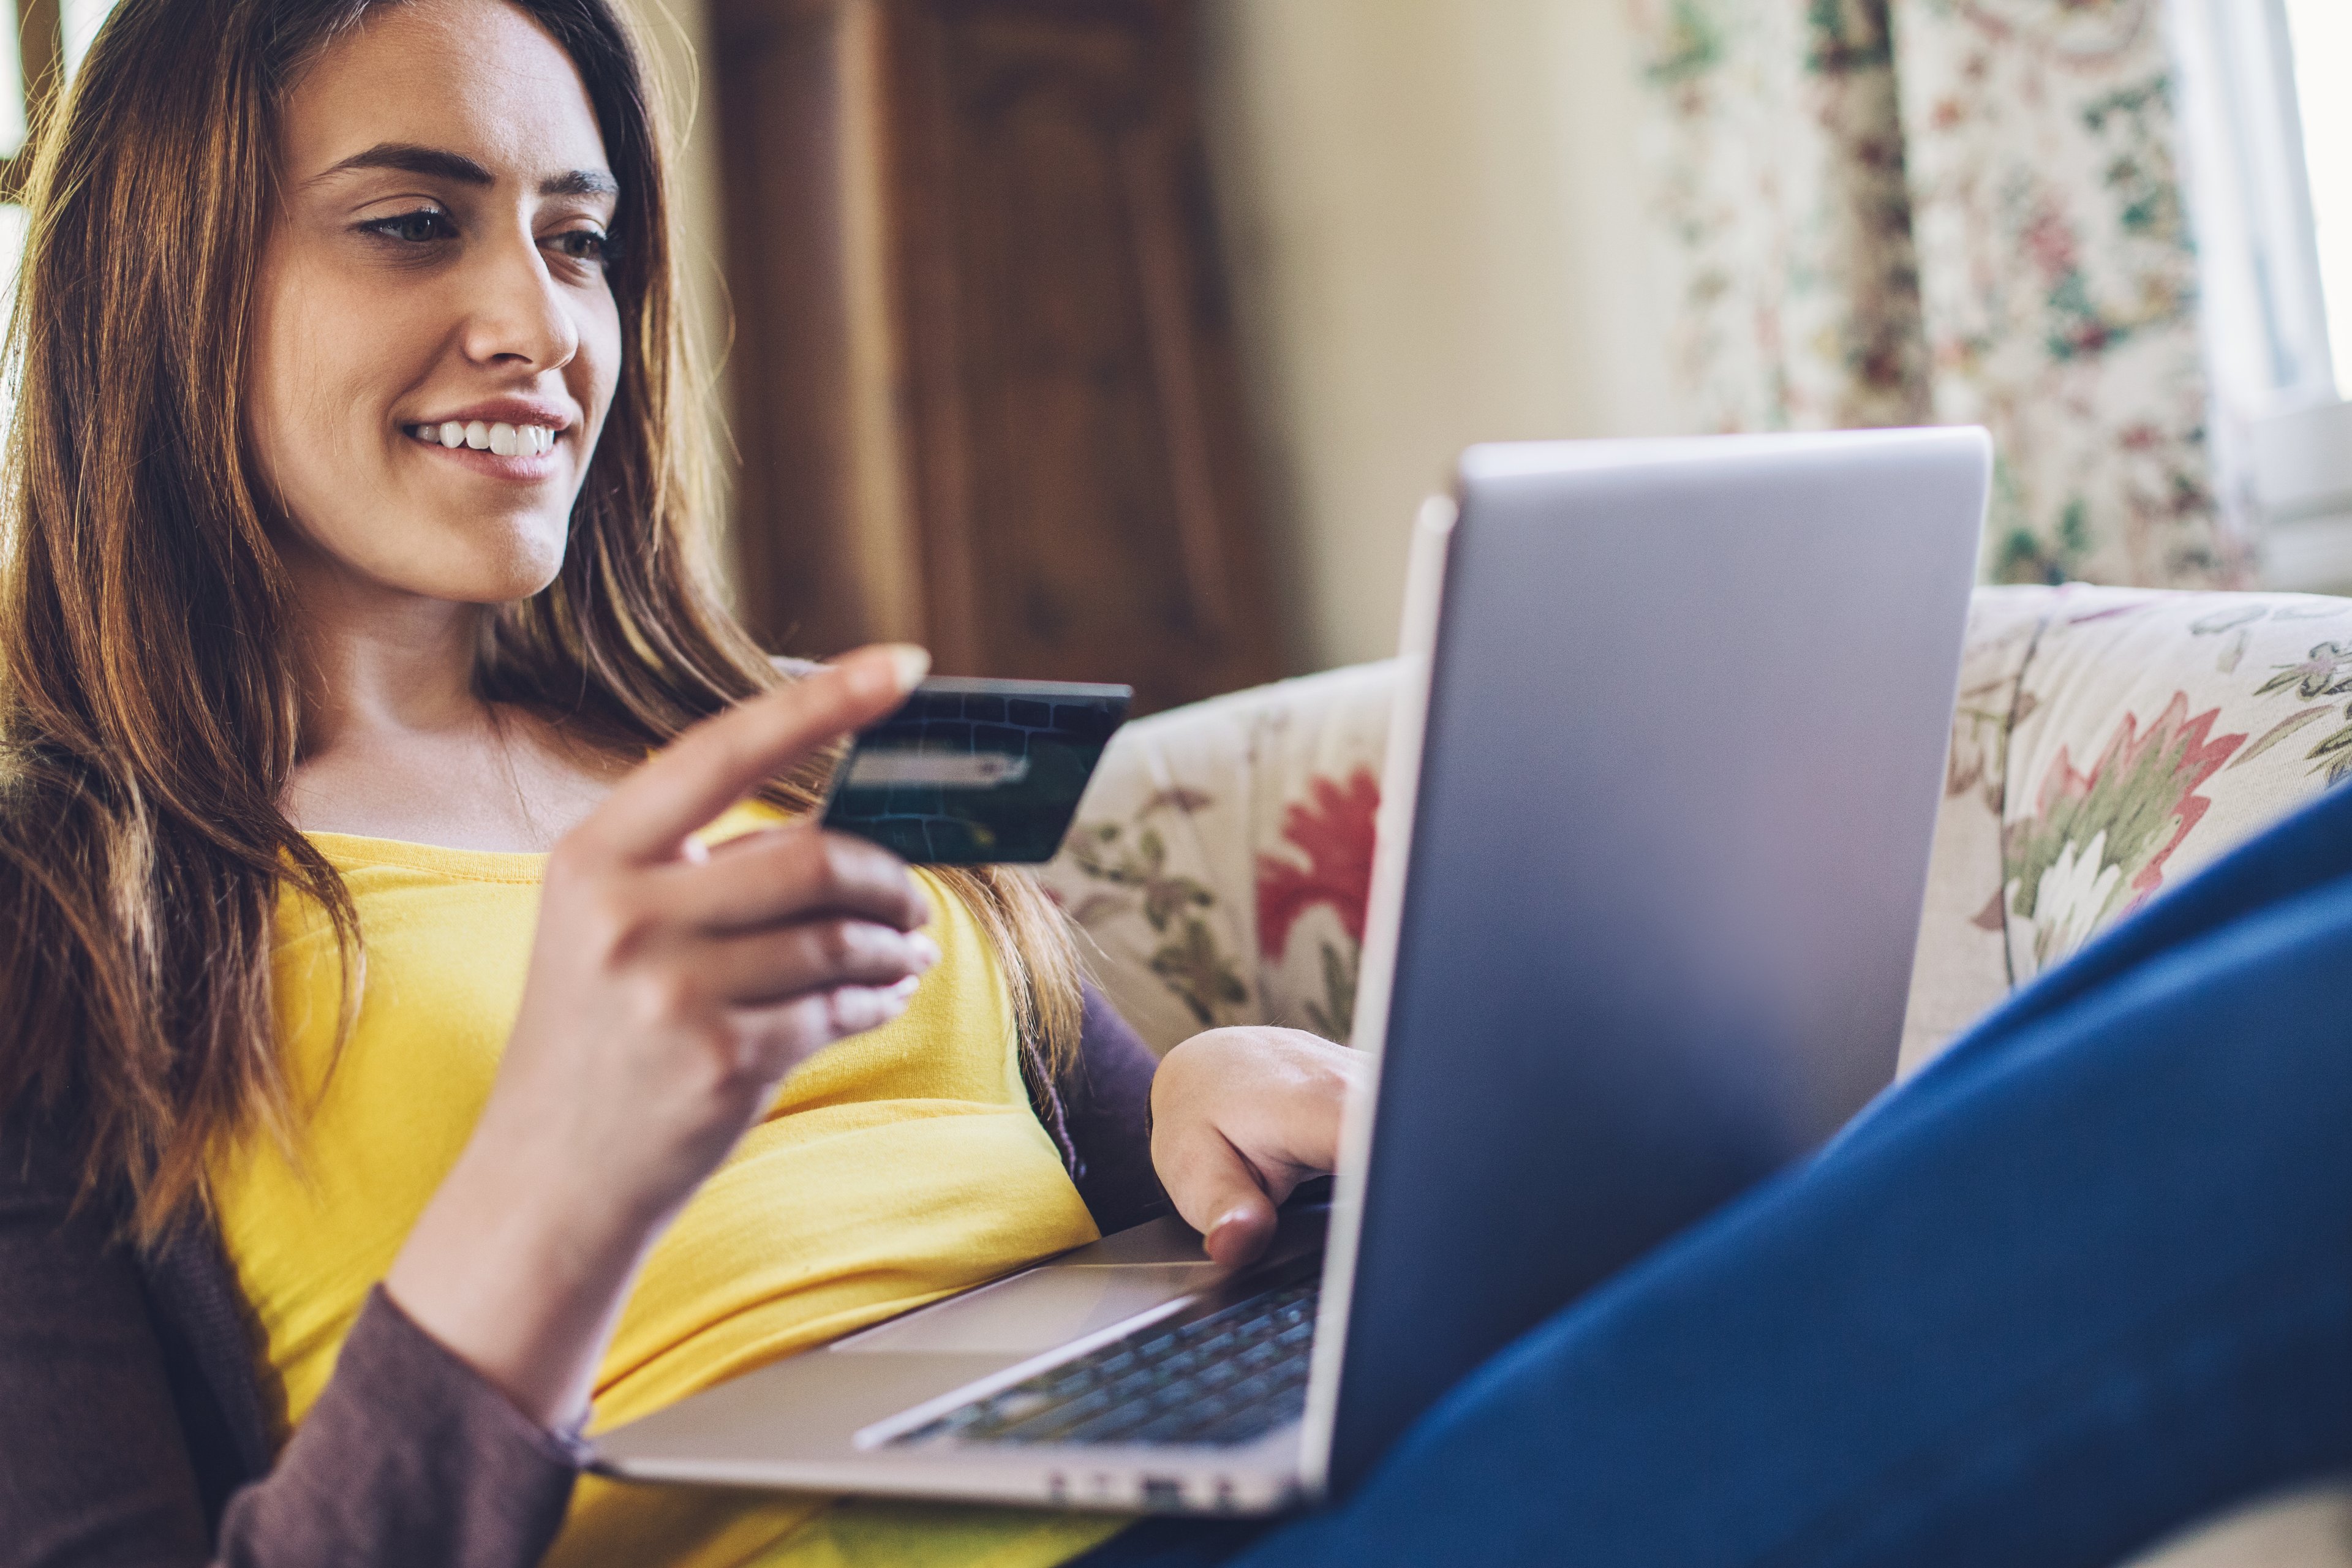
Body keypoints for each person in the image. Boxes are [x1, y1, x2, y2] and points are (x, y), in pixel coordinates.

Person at [5, 4, 2351, 1568]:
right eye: (413, 220)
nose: (540, 320)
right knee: (2292, 1070)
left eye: (580, 234)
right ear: (167, 272)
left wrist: (1185, 1099)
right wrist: (556, 1178)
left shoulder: (762, 732)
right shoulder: (55, 904)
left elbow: (1093, 1154)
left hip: (1267, 1456)